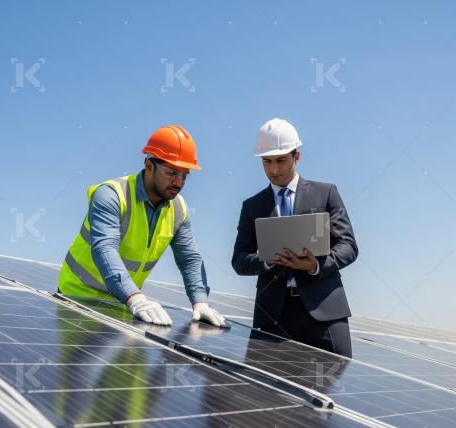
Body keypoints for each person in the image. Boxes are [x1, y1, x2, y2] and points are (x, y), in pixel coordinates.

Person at [58, 125, 226, 328]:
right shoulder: (112, 195)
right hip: (78, 298)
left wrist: (200, 302)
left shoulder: (179, 209)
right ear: (148, 165)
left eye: (184, 175)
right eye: (172, 172)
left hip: (123, 302)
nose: (178, 182)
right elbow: (105, 249)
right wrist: (135, 298)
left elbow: (189, 259)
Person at [232, 118, 358, 356]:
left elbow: (349, 246)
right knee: (265, 391)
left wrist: (315, 265)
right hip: (274, 317)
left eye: (280, 160)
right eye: (266, 162)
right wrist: (267, 260)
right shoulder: (251, 206)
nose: (273, 169)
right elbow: (239, 260)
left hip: (325, 313)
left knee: (334, 386)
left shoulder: (326, 193)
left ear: (296, 157)